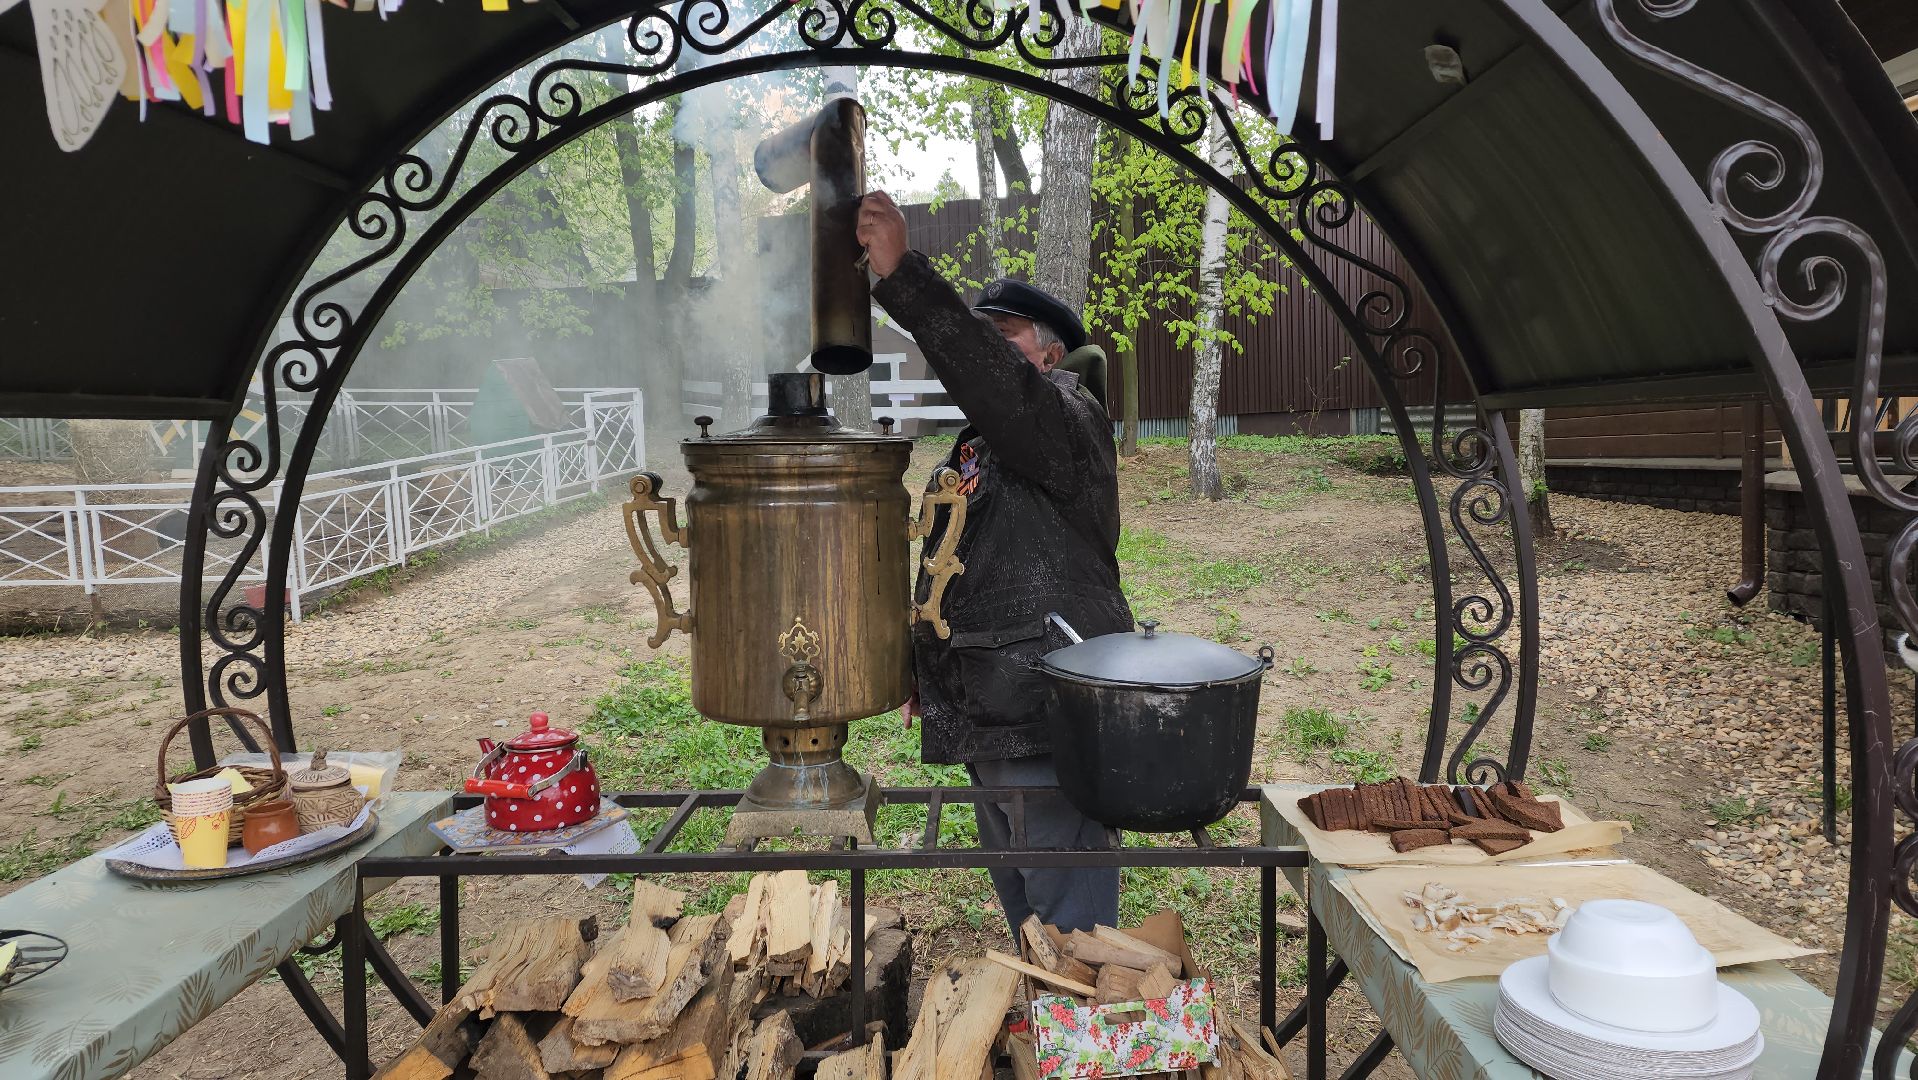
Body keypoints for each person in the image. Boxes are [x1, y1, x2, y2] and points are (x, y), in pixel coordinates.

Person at [857, 190, 1135, 938]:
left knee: (1073, 930)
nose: (981, 351)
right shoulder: (981, 447)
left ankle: (1082, 1045)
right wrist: (930, 671)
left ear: (1049, 352)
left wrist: (906, 279)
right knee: (1028, 915)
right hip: (992, 711)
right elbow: (958, 567)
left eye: (1004, 335)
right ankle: (1043, 1028)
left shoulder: (1066, 416)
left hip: (1045, 717)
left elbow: (1004, 391)